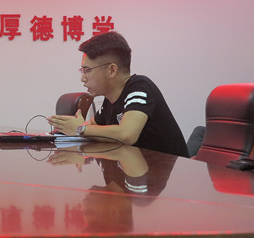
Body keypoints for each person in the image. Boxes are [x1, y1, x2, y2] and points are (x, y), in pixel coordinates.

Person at [48, 31, 189, 158]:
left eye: (87, 70)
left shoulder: (140, 87)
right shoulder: (109, 100)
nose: (83, 78)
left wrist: (81, 128)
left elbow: (127, 134)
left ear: (111, 70)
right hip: (137, 170)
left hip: (173, 174)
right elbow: (92, 127)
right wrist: (77, 126)